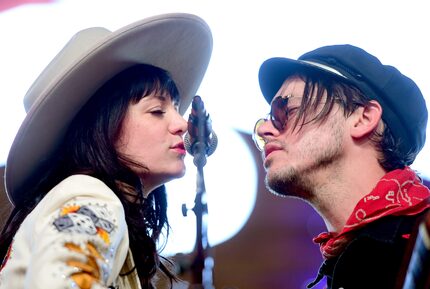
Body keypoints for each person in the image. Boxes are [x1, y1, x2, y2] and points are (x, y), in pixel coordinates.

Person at [0, 13, 212, 289]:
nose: (183, 124)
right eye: (157, 111)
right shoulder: (92, 197)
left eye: (176, 107)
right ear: (103, 128)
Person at [253, 44, 430, 289]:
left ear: (363, 118)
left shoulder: (423, 238)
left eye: (285, 110)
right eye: (267, 119)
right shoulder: (344, 267)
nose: (264, 129)